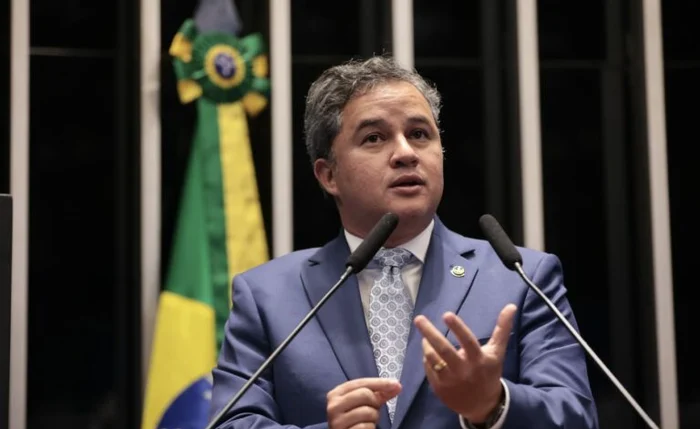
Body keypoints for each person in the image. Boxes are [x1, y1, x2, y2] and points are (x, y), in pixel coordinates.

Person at [210, 55, 599, 429]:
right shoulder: (266, 296)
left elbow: (577, 417)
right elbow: (230, 422)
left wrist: (493, 404)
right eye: (374, 138)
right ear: (329, 175)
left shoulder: (521, 278)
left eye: (419, 134)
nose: (406, 153)